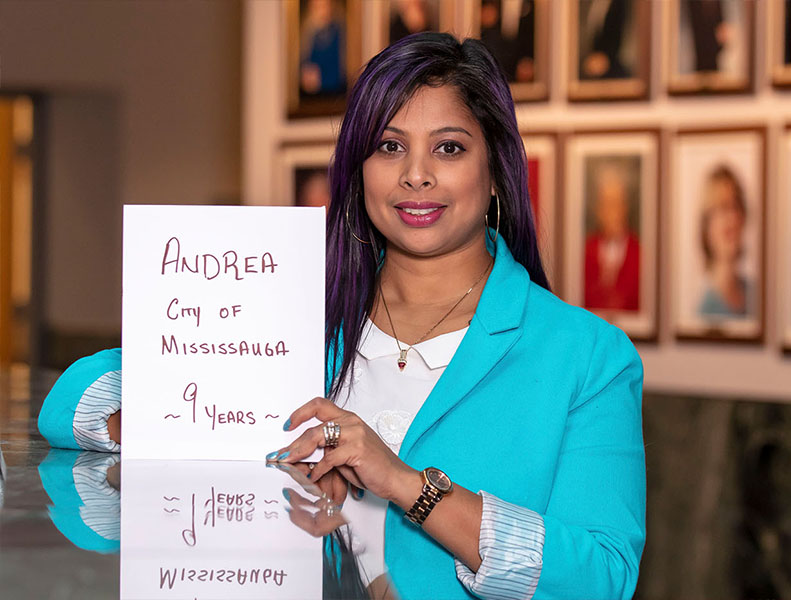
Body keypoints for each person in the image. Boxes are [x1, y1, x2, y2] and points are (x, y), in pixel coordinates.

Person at [39, 33, 645, 599]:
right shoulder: (294, 309)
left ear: (494, 174)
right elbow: (70, 407)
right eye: (389, 146)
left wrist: (406, 484)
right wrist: (184, 427)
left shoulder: (588, 355)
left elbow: (602, 576)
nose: (416, 174)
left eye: (449, 148)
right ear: (359, 171)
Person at [697, 165, 754, 319]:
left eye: (736, 207)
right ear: (707, 225)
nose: (733, 218)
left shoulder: (754, 293)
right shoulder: (704, 310)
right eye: (723, 208)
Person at [583, 162, 641, 311]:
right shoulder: (586, 250)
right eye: (606, 204)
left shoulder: (639, 252)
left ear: (625, 207)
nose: (611, 212)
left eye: (615, 203)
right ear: (598, 210)